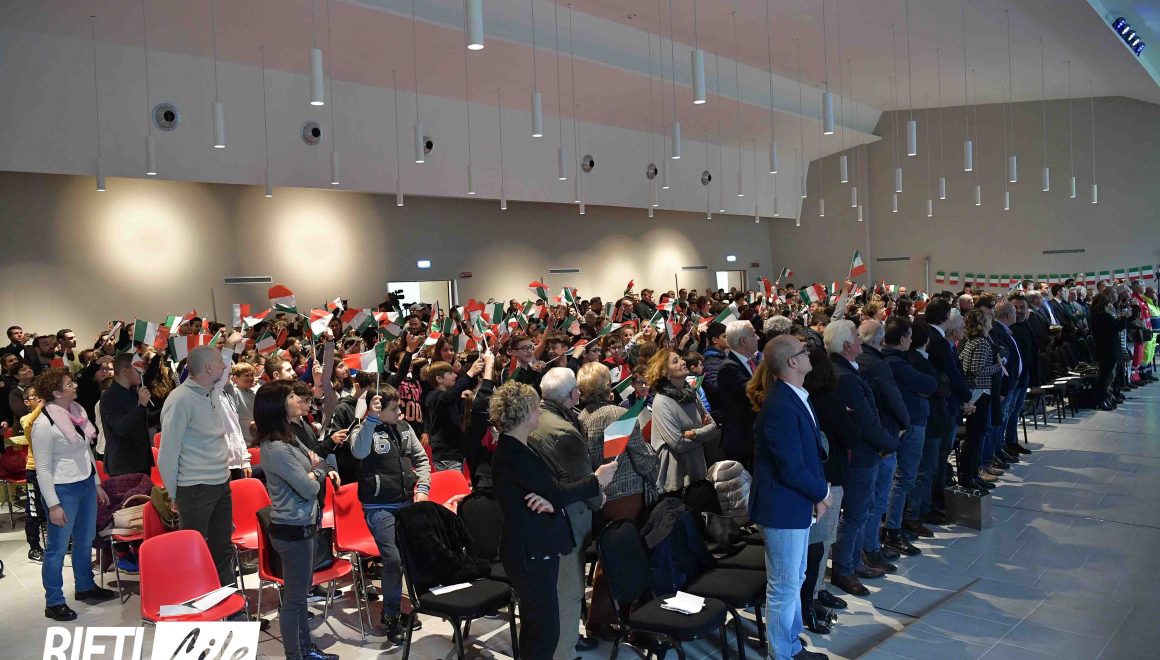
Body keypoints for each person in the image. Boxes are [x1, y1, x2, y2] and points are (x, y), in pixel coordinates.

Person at [490, 381, 616, 660]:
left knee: (539, 627)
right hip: (529, 550)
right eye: (536, 408)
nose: (540, 413)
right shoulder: (514, 454)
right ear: (525, 413)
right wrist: (596, 480)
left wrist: (551, 500)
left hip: (533, 544)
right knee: (543, 631)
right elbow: (556, 492)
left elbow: (550, 492)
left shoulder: (519, 447)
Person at [748, 335, 831, 660]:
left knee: (794, 578)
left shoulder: (795, 396)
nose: (809, 353)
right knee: (783, 586)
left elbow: (809, 455)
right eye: (803, 350)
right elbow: (791, 467)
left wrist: (816, 494)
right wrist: (822, 492)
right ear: (792, 362)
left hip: (795, 503)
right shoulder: (780, 406)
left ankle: (791, 646)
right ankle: (781, 654)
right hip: (781, 507)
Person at [254, 380, 340, 660]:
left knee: (300, 596)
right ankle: (295, 654)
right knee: (294, 600)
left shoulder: (290, 437)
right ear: (278, 406)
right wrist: (318, 471)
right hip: (292, 530)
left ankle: (305, 649)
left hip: (303, 524)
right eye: (291, 396)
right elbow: (309, 487)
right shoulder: (276, 448)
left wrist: (316, 468)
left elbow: (316, 461)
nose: (297, 399)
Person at [575, 361, 657, 635]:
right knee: (622, 557)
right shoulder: (618, 415)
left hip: (598, 494)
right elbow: (641, 457)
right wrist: (655, 463)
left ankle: (613, 616)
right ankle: (604, 619)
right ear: (607, 385)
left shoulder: (581, 417)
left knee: (609, 555)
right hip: (626, 495)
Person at [527, 367, 604, 658]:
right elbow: (583, 481)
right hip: (567, 517)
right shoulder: (563, 431)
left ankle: (565, 640)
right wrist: (600, 497)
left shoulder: (534, 419)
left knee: (552, 589)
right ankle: (565, 651)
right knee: (569, 591)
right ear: (572, 394)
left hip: (541, 516)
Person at [30, 368, 116, 621]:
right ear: (56, 392)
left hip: (85, 483)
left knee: (85, 540)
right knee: (57, 549)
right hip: (62, 489)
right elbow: (42, 469)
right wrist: (53, 505)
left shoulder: (77, 413)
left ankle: (85, 586)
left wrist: (96, 483)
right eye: (69, 384)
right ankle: (54, 601)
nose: (75, 385)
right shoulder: (43, 424)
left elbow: (85, 452)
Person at [351, 384, 429, 644]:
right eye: (394, 408)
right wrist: (371, 420)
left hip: (406, 503)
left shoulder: (404, 428)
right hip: (379, 507)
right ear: (378, 409)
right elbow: (358, 451)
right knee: (393, 560)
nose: (400, 412)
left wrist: (423, 488)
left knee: (406, 558)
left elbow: (421, 459)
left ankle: (399, 608)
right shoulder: (362, 430)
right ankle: (392, 616)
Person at [825, 320, 898, 597]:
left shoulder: (843, 369)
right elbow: (865, 421)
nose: (860, 340)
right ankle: (845, 568)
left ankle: (854, 562)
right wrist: (889, 443)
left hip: (862, 453)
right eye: (856, 337)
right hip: (859, 455)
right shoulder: (843, 376)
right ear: (847, 345)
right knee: (855, 514)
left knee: (860, 512)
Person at [157, 346, 236, 587]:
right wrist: (174, 495)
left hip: (220, 482)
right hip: (195, 487)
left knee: (222, 547)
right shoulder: (180, 400)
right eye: (220, 361)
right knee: (193, 550)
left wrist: (231, 346)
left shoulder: (210, 392)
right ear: (209, 367)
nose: (224, 365)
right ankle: (196, 599)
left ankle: (228, 600)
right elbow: (167, 454)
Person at [880, 318, 936, 557]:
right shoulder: (898, 363)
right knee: (904, 479)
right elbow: (930, 384)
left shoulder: (884, 360)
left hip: (897, 424)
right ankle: (893, 529)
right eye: (909, 337)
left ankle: (891, 524)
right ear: (903, 339)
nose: (911, 341)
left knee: (894, 479)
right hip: (909, 423)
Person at [648, 348, 719, 493]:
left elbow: (713, 427)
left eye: (680, 358)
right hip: (678, 479)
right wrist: (703, 434)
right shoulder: (662, 402)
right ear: (666, 373)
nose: (683, 362)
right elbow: (678, 444)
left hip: (699, 467)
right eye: (676, 361)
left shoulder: (691, 394)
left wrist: (693, 433)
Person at [958, 310, 1002, 492]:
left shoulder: (972, 341)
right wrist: (998, 366)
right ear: (983, 323)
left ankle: (972, 475)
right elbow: (975, 370)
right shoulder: (982, 343)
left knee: (975, 437)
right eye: (989, 319)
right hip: (979, 393)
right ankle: (969, 477)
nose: (992, 321)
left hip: (977, 392)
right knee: (975, 437)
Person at [423, 357, 483, 472]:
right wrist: (470, 373)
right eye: (450, 373)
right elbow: (447, 397)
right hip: (445, 456)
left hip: (456, 454)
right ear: (439, 379)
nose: (455, 375)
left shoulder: (450, 398)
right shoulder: (433, 396)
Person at [98, 353, 154, 477]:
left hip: (141, 462)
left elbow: (143, 420)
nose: (142, 372)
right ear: (124, 371)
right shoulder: (109, 396)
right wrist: (141, 406)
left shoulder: (133, 392)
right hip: (124, 466)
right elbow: (120, 428)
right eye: (137, 369)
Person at [717, 320, 760, 468]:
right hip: (741, 441)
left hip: (751, 437)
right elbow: (753, 393)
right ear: (743, 341)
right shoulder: (729, 367)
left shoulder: (750, 361)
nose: (757, 338)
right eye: (753, 335)